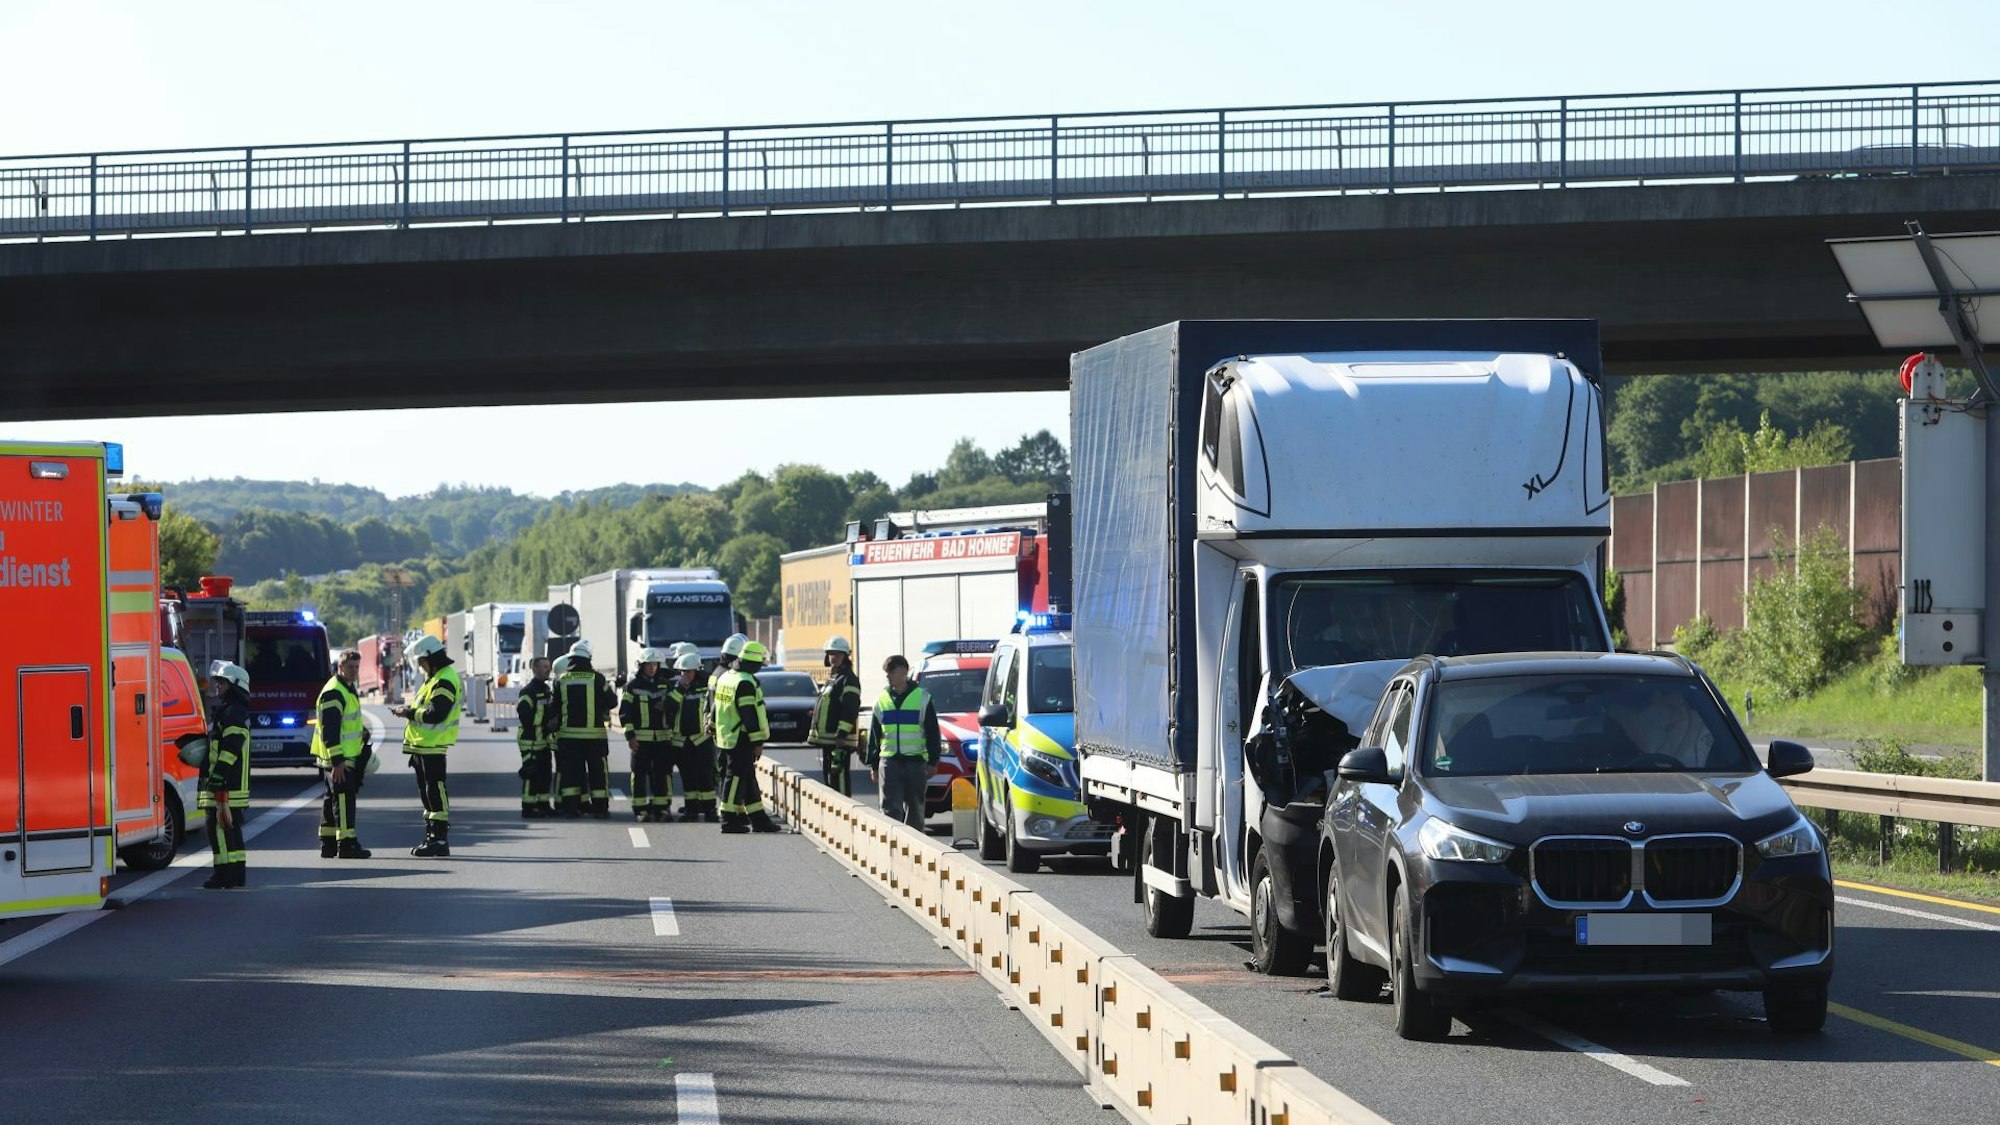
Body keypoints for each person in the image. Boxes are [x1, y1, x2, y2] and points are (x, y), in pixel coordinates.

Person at [393, 634, 461, 857]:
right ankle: (433, 836)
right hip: (423, 746)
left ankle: (439, 838)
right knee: (428, 792)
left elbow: (436, 714)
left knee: (435, 790)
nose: (421, 666)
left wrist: (408, 713)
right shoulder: (435, 679)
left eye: (422, 662)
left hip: (433, 746)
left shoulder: (444, 680)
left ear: (431, 658)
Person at [866, 654, 942, 831]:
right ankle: (892, 847)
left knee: (915, 808)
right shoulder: (882, 699)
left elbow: (933, 733)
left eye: (891, 672)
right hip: (889, 761)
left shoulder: (922, 698)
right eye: (887, 673)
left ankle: (914, 849)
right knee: (889, 809)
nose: (888, 676)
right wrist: (874, 764)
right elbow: (875, 735)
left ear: (904, 672)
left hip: (915, 763)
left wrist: (932, 762)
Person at [713, 640, 779, 834]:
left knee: (748, 778)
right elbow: (748, 714)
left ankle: (759, 820)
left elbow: (717, 706)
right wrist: (757, 741)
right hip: (741, 737)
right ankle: (728, 819)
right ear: (753, 662)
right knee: (735, 778)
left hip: (727, 735)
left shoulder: (727, 677)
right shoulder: (744, 682)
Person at [312, 648, 372, 859]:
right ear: (340, 667)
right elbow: (330, 729)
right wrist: (338, 761)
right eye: (350, 667)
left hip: (341, 756)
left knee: (332, 799)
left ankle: (328, 844)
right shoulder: (334, 691)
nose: (354, 671)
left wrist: (362, 732)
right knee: (345, 799)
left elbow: (346, 722)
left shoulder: (346, 688)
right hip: (338, 758)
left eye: (357, 667)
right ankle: (347, 844)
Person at [199, 661, 253, 889]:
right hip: (232, 786)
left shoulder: (231, 713)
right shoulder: (234, 711)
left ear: (235, 685)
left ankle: (224, 875)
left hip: (226, 786)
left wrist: (218, 781)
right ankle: (237, 874)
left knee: (219, 829)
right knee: (232, 831)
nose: (218, 687)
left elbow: (229, 752)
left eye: (222, 683)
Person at [553, 639, 618, 818]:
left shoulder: (561, 680)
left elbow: (554, 707)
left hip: (568, 737)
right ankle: (600, 809)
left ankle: (571, 809)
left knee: (571, 773)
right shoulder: (597, 679)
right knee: (597, 773)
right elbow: (613, 702)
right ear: (588, 658)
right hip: (594, 737)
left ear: (571, 659)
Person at [619, 648, 674, 822]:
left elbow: (676, 707)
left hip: (663, 739)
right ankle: (640, 809)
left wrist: (667, 706)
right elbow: (625, 713)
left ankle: (662, 808)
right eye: (648, 665)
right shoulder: (632, 686)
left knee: (662, 774)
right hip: (641, 741)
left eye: (655, 664)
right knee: (639, 774)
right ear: (641, 666)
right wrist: (630, 737)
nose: (652, 668)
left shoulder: (666, 684)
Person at [665, 647, 719, 822]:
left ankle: (710, 811)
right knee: (688, 779)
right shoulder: (676, 687)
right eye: (683, 672)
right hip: (682, 742)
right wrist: (680, 688)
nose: (685, 675)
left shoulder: (707, 687)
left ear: (696, 670)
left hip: (702, 740)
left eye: (688, 672)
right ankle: (691, 811)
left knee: (706, 778)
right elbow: (669, 707)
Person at [808, 634, 862, 794]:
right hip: (829, 739)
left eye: (838, 654)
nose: (834, 657)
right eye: (831, 653)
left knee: (840, 779)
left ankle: (846, 812)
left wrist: (841, 734)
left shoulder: (848, 679)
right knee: (830, 778)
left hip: (839, 740)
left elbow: (850, 708)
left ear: (845, 656)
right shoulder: (833, 678)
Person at [515, 656, 558, 818]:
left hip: (543, 741)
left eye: (549, 666)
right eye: (544, 667)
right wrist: (547, 723)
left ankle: (543, 805)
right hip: (530, 741)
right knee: (531, 773)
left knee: (545, 774)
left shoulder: (546, 690)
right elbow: (524, 716)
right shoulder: (528, 691)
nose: (548, 669)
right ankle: (528, 807)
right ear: (535, 670)